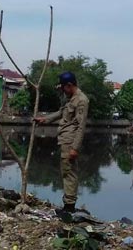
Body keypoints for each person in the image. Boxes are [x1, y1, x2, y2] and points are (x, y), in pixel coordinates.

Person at [34, 72, 89, 213]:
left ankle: (69, 207)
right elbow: (61, 113)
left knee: (69, 172)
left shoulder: (81, 100)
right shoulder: (71, 99)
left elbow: (81, 126)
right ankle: (68, 205)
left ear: (69, 85)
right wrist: (45, 119)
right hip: (64, 139)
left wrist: (75, 148)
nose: (63, 90)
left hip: (71, 141)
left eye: (64, 87)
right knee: (65, 171)